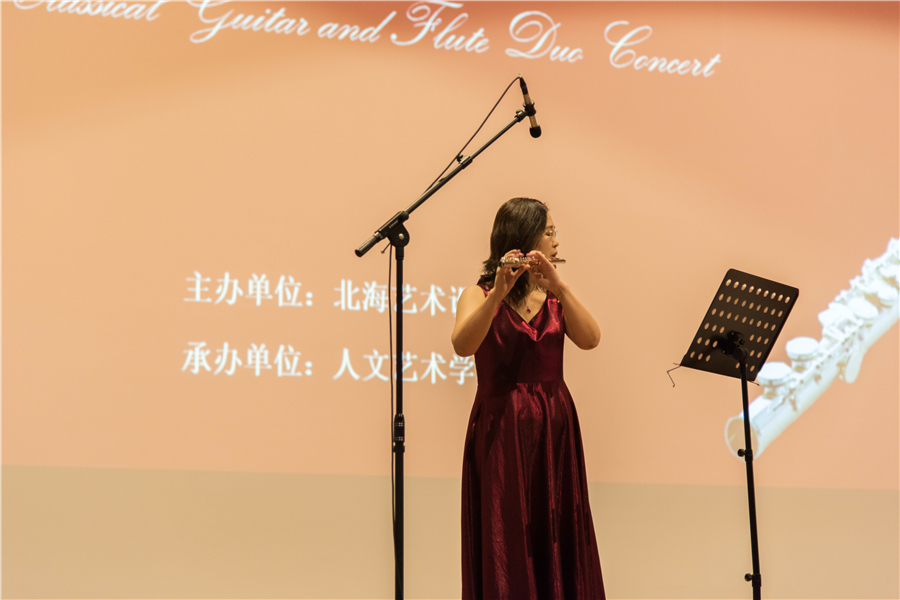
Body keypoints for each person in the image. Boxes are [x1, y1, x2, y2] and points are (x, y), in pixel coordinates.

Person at [451, 197, 606, 600]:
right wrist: (497, 295)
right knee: (505, 531)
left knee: (556, 527)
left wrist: (561, 287)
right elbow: (463, 345)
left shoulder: (555, 298)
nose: (556, 241)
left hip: (554, 426)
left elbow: (591, 339)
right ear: (525, 237)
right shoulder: (478, 294)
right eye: (549, 232)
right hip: (500, 428)